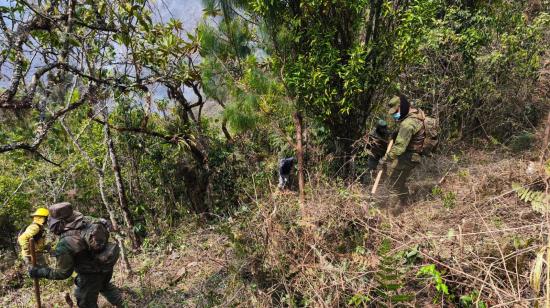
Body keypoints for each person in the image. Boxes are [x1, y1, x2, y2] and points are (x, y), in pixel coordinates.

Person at [28, 202, 124, 308]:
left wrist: (39, 271)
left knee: (85, 303)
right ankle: (125, 305)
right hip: (106, 265)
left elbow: (63, 273)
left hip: (89, 275)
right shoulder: (87, 220)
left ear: (59, 223)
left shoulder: (65, 243)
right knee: (105, 287)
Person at [379, 95, 426, 214]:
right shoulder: (416, 114)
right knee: (399, 181)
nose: (394, 115)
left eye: (396, 111)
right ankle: (405, 203)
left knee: (393, 184)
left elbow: (399, 148)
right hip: (411, 156)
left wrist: (386, 158)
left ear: (402, 106)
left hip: (408, 157)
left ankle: (390, 214)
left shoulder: (407, 123)